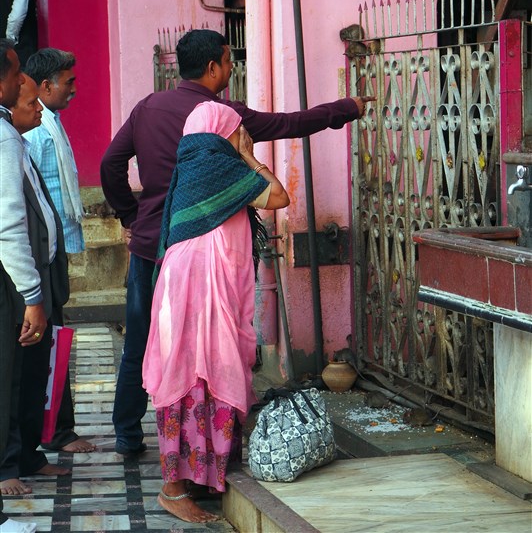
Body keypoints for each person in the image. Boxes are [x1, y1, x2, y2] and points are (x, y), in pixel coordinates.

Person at [100, 28, 373, 456]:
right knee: (210, 351)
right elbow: (288, 124)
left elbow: (110, 163)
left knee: (141, 342)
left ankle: (128, 434)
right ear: (212, 67)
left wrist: (131, 216)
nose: (231, 69)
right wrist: (345, 109)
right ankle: (207, 442)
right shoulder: (224, 117)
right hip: (206, 252)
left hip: (153, 245)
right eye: (229, 62)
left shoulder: (148, 107)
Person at [143, 101, 290, 523]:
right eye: (238, 130)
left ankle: (198, 476)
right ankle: (173, 490)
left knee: (193, 373)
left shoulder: (190, 168)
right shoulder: (223, 168)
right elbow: (279, 196)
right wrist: (248, 156)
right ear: (222, 134)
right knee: (198, 373)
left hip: (187, 286)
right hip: (199, 287)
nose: (243, 135)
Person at [0, 39, 64, 532]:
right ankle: (6, 465)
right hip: (13, 278)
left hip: (28, 273)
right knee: (9, 373)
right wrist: (31, 293)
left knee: (25, 369)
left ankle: (24, 455)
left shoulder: (10, 134)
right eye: (16, 73)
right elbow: (9, 224)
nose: (22, 81)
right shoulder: (4, 138)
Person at [23, 48, 95, 454]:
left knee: (55, 337)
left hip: (54, 250)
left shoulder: (51, 123)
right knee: (46, 340)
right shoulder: (34, 131)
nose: (74, 90)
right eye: (68, 82)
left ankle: (57, 429)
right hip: (40, 256)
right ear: (46, 86)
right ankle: (55, 432)